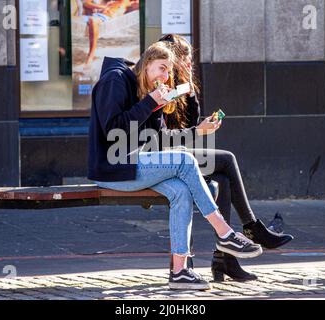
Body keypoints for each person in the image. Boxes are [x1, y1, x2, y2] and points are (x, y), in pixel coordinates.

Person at [87, 41, 263, 290]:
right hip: (111, 168)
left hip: (134, 164)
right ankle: (225, 233)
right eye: (161, 68)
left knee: (181, 190)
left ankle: (180, 271)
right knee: (185, 160)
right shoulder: (115, 81)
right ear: (146, 64)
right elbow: (113, 130)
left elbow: (158, 140)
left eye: (168, 71)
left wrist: (196, 131)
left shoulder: (149, 91)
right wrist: (149, 103)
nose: (165, 76)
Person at [158, 34, 294, 282]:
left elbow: (189, 126)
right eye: (185, 59)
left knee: (223, 179)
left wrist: (190, 92)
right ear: (173, 58)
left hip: (181, 152)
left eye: (190, 59)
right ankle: (251, 228)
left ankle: (225, 260)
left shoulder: (181, 85)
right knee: (227, 159)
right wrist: (195, 128)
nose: (189, 63)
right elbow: (164, 135)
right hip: (164, 158)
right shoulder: (162, 84)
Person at [75, 0, 138, 65]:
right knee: (74, 20)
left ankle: (91, 55)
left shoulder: (126, 2)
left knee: (93, 20)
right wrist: (103, 7)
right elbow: (86, 3)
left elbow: (137, 6)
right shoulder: (107, 1)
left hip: (104, 17)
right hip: (92, 16)